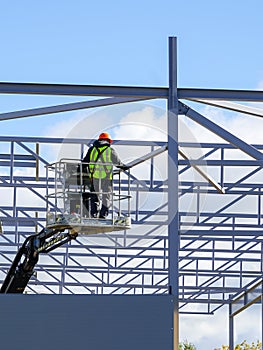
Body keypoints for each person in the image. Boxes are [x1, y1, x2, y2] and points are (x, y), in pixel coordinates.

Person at [81, 132, 128, 219]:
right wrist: (125, 167)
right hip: (107, 177)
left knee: (95, 196)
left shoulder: (92, 150)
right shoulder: (110, 150)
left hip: (94, 176)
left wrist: (84, 173)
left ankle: (94, 214)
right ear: (108, 141)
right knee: (106, 196)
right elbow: (118, 163)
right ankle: (103, 215)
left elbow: (84, 163)